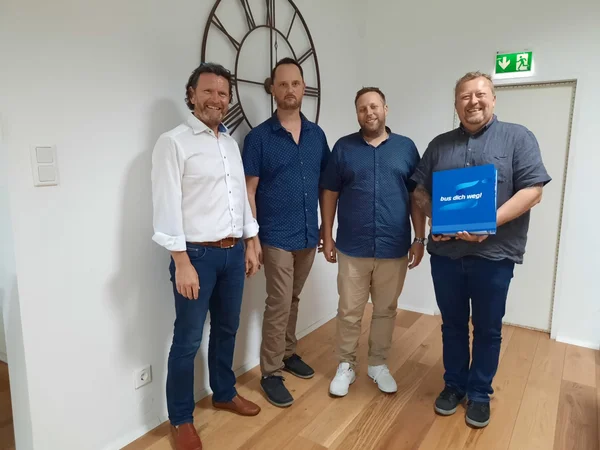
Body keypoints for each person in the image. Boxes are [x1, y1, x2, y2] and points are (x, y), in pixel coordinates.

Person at [410, 71, 551, 428]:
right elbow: (419, 191)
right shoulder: (439, 145)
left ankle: (479, 393)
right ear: (456, 104)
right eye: (464, 96)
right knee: (452, 325)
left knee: (488, 329)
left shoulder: (518, 138)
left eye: (480, 94)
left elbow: (533, 190)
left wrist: (488, 222)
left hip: (494, 257)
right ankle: (454, 385)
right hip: (446, 256)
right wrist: (437, 216)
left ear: (493, 99)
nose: (472, 101)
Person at [151, 62, 262, 450]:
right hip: (196, 257)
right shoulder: (173, 142)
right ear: (192, 95)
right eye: (208, 91)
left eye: (222, 93)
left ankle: (224, 392)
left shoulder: (229, 143)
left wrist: (251, 240)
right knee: (187, 339)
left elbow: (240, 199)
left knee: (228, 328)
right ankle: (181, 418)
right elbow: (167, 206)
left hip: (233, 252)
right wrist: (181, 262)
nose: (216, 99)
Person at [320, 87, 426, 397]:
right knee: (349, 310)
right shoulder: (344, 148)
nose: (369, 112)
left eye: (374, 106)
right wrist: (327, 234)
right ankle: (346, 365)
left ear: (385, 109)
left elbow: (416, 197)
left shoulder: (406, 148)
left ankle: (378, 364)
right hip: (352, 247)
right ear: (357, 114)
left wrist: (419, 238)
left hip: (394, 246)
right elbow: (329, 193)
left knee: (385, 309)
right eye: (363, 108)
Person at [242, 57, 331, 408]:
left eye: (295, 83)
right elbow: (249, 190)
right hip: (275, 234)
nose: (289, 89)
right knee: (278, 302)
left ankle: (289, 352)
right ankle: (270, 372)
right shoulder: (259, 138)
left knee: (293, 298)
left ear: (303, 87)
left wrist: (326, 227)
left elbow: (326, 186)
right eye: (283, 84)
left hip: (308, 233)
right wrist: (252, 238)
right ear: (273, 89)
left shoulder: (316, 135)